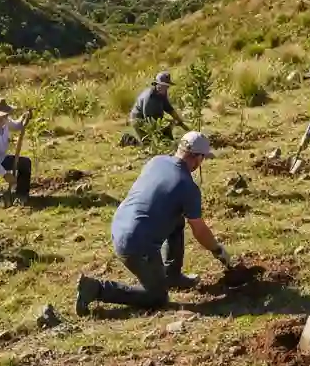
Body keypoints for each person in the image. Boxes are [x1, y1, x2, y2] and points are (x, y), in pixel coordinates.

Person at [76, 131, 231, 313]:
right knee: (157, 298)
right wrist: (218, 250)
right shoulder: (187, 186)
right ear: (197, 158)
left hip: (120, 225)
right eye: (203, 158)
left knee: (177, 219)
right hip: (136, 244)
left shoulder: (156, 161)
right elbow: (199, 230)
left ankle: (172, 276)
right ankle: (96, 289)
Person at [129, 71, 187, 140]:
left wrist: (181, 123)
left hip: (155, 117)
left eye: (167, 86)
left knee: (167, 130)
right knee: (148, 142)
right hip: (139, 120)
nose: (165, 88)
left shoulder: (162, 93)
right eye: (163, 86)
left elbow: (169, 108)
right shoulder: (149, 98)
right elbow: (149, 120)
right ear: (157, 84)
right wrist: (168, 123)